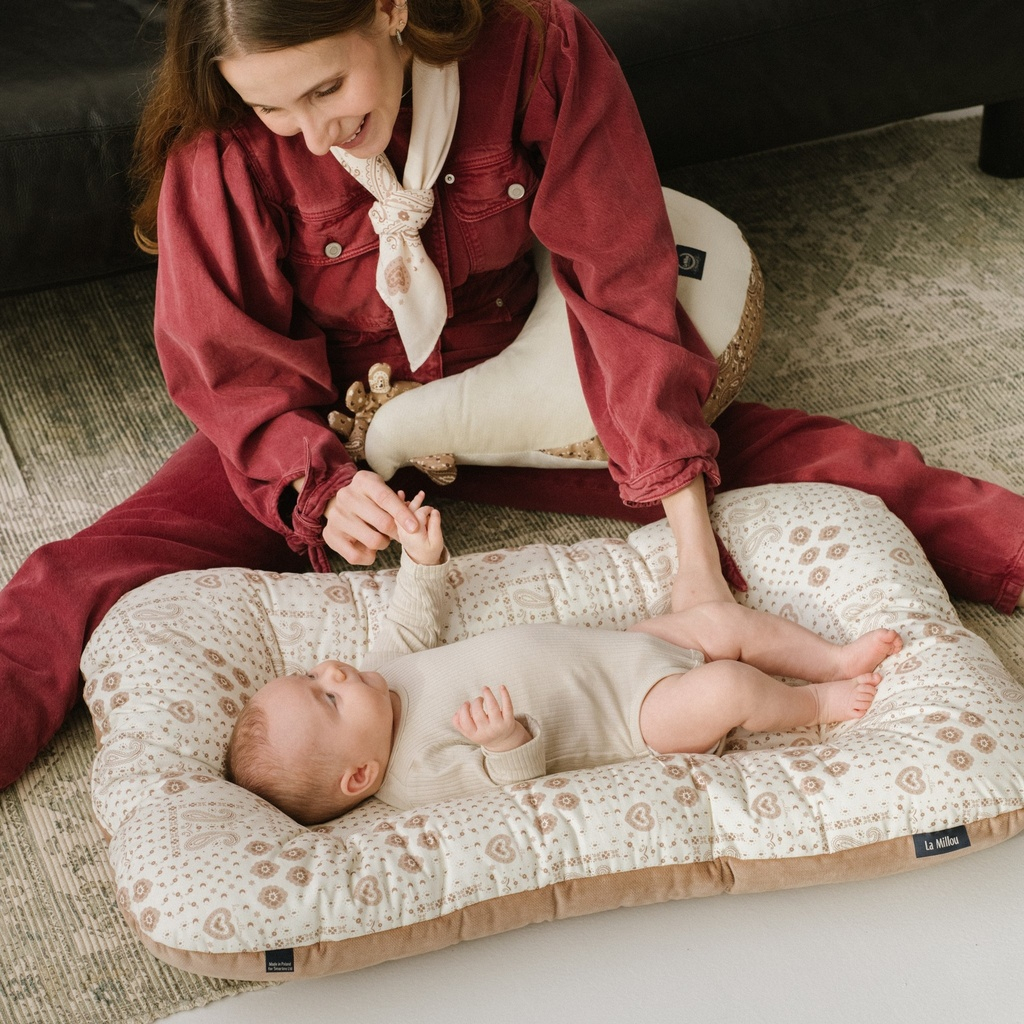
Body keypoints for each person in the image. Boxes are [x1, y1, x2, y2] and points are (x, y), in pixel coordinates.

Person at [0, 0, 1021, 791]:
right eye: (273, 109)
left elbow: (620, 281)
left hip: (518, 369)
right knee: (88, 570)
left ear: (390, 9)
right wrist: (315, 485)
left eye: (326, 93)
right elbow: (228, 364)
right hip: (333, 408)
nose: (309, 137)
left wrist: (691, 553)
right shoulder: (219, 145)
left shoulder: (541, 50)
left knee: (821, 465)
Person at [227, 498, 897, 823]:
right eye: (327, 699)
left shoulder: (383, 672)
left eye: (314, 674)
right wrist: (504, 740)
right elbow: (513, 789)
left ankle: (831, 661)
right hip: (637, 718)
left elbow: (411, 619)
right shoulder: (414, 775)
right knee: (725, 687)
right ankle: (814, 705)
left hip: (627, 650)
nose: (334, 672)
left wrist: (422, 561)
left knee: (721, 623)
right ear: (359, 775)